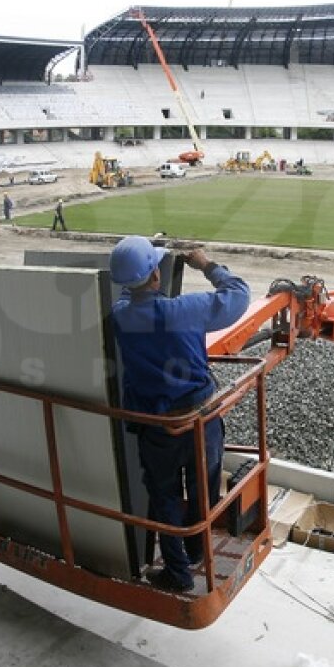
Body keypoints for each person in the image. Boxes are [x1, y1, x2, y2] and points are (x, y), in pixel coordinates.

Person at [108, 236, 250, 592]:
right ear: (156, 276)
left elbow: (131, 295)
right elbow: (238, 295)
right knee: (204, 489)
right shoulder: (186, 310)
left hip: (158, 427)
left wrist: (143, 261)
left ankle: (178, 573)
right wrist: (205, 264)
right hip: (201, 420)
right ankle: (198, 550)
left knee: (164, 496)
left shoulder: (121, 317)